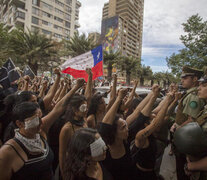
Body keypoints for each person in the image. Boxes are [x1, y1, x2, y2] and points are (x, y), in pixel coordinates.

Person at [0, 79, 84, 180]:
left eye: (40, 117)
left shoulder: (41, 131)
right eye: (35, 119)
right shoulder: (7, 152)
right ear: (20, 123)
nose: (41, 122)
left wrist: (75, 87)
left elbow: (59, 108)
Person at [171, 66, 205, 180]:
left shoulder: (194, 96)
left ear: (195, 79)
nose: (182, 80)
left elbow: (192, 120)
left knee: (182, 171)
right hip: (187, 139)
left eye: (185, 78)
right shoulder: (190, 94)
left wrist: (178, 129)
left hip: (188, 142)